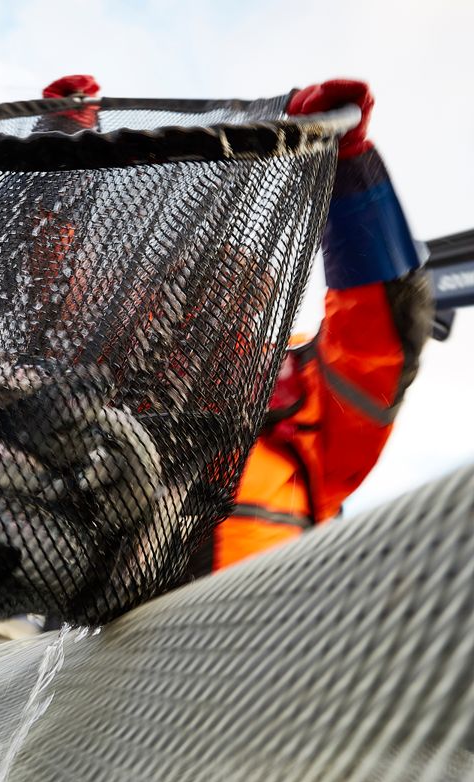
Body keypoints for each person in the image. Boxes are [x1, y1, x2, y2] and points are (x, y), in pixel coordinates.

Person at [191, 79, 433, 572]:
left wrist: (347, 169)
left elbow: (377, 336)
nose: (222, 291)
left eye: (243, 278)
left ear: (264, 297)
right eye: (200, 277)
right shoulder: (127, 369)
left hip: (257, 638)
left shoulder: (303, 382)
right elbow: (50, 303)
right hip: (90, 646)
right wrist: (61, 142)